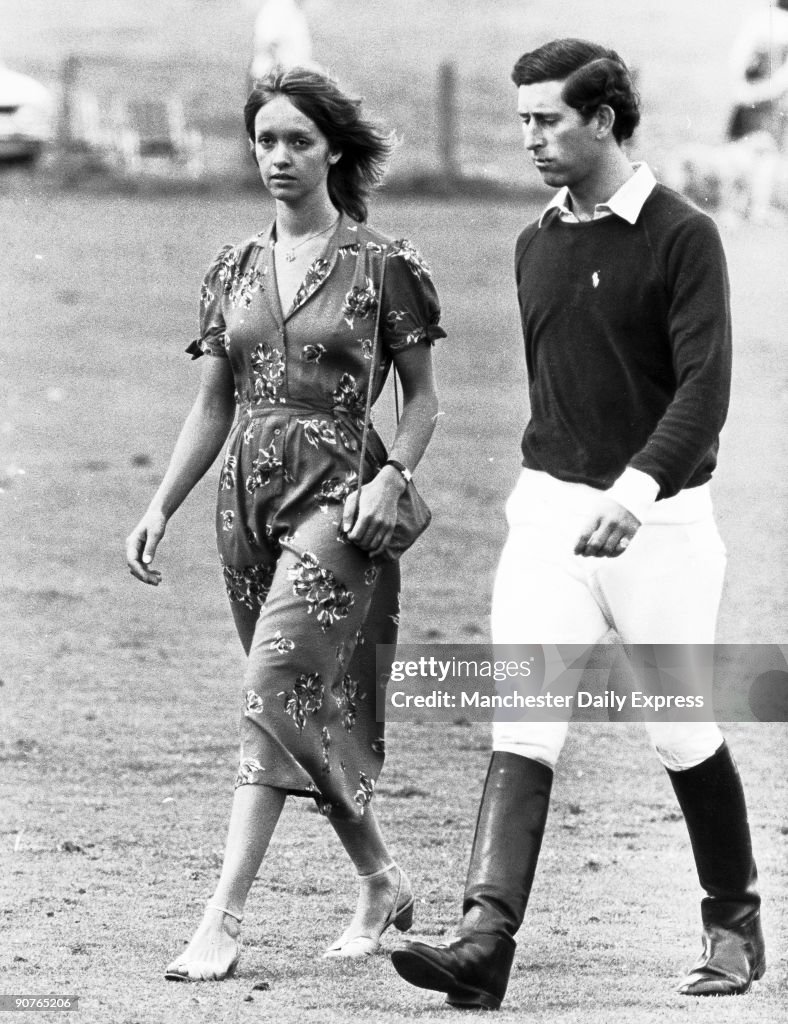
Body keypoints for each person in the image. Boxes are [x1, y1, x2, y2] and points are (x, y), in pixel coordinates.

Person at [391, 38, 764, 1010]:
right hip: (547, 515)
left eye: (547, 119)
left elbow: (702, 391)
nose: (530, 139)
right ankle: (483, 942)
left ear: (601, 119)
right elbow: (566, 396)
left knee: (676, 728)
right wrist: (562, 495)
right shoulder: (533, 244)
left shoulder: (682, 236)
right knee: (525, 720)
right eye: (520, 121)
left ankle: (731, 924)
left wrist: (634, 491)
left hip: (663, 526)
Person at [126, 65, 445, 981]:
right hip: (245, 501)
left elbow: (422, 403)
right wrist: (159, 504)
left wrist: (395, 473)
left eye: (297, 140)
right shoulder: (231, 267)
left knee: (271, 686)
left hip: (345, 501)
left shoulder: (389, 266)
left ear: (333, 149)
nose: (278, 156)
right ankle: (381, 878)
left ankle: (221, 918)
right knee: (296, 704)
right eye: (265, 140)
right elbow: (212, 405)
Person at [727, 0, 788, 148]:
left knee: (738, 151)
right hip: (772, 106)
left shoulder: (759, 19)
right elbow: (782, 81)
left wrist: (745, 92)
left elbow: (737, 61)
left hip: (748, 101)